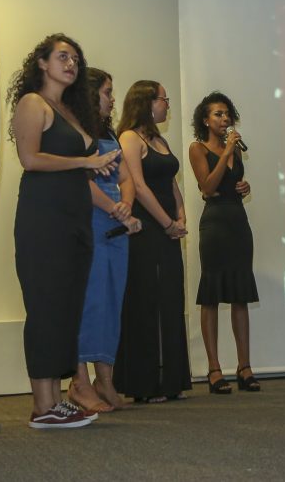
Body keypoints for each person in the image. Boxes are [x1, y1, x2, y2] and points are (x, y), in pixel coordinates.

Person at [7, 34, 120, 429]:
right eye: (62, 57)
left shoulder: (70, 110)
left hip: (75, 219)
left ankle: (56, 401)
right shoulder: (32, 103)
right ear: (41, 62)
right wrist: (84, 163)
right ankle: (42, 406)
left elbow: (81, 162)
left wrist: (95, 165)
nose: (71, 64)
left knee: (67, 309)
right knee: (45, 308)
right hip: (44, 218)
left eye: (75, 58)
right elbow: (30, 158)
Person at [113, 80, 192, 402]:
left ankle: (170, 379)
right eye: (163, 99)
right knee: (147, 302)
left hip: (168, 229)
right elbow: (138, 186)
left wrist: (181, 216)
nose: (167, 104)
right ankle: (146, 382)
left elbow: (171, 182)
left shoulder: (159, 139)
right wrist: (167, 223)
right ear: (146, 103)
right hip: (146, 230)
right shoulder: (129, 138)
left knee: (170, 300)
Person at [68, 68, 142, 413]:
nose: (113, 99)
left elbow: (126, 177)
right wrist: (115, 208)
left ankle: (105, 381)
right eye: (108, 92)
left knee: (113, 301)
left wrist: (125, 203)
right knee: (89, 303)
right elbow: (80, 181)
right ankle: (79, 382)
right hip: (91, 222)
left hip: (117, 226)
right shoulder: (74, 131)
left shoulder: (109, 132)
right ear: (91, 93)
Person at [188, 92, 261, 394]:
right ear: (205, 120)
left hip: (237, 222)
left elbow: (230, 183)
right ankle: (214, 369)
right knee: (212, 295)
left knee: (240, 294)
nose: (225, 118)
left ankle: (244, 367)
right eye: (218, 114)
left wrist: (244, 186)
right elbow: (207, 186)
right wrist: (226, 151)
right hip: (215, 224)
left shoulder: (236, 151)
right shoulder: (198, 148)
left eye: (227, 113)